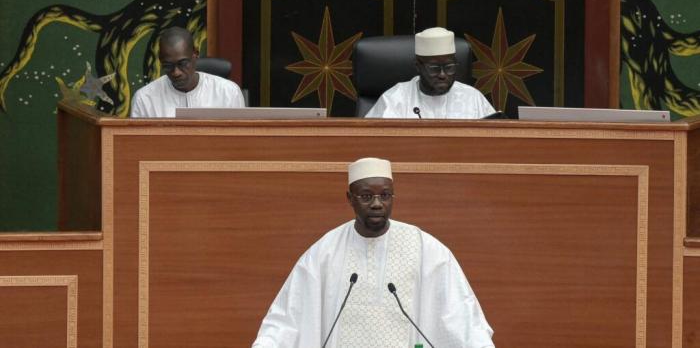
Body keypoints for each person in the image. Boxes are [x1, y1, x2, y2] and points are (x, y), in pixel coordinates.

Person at [252, 157, 495, 348]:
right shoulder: (325, 252)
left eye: (385, 195)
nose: (377, 203)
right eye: (367, 196)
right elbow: (288, 318)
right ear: (350, 199)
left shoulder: (425, 248)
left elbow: (460, 316)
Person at [364, 27, 495, 119]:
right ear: (418, 67)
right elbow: (372, 141)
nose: (443, 75)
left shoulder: (472, 98)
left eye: (449, 67)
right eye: (434, 68)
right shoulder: (395, 99)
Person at [130, 26, 245, 117]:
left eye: (183, 63)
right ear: (160, 61)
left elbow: (240, 140)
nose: (176, 72)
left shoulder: (228, 93)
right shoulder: (144, 98)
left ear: (195, 54)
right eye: (168, 66)